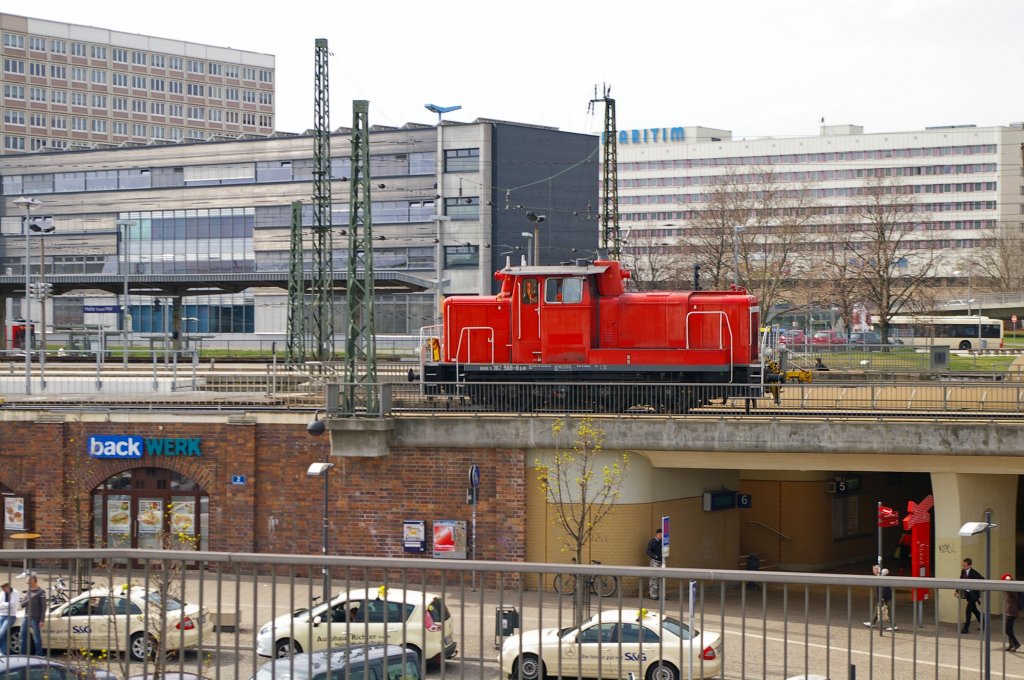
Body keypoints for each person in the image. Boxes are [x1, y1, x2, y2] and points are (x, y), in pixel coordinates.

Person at [863, 565, 896, 632]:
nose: (873, 571)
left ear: (877, 570)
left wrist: (882, 597)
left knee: (888, 611)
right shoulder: (879, 576)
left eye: (874, 570)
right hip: (884, 597)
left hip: (885, 597)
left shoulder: (881, 576)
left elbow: (883, 588)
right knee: (878, 608)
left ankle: (894, 626)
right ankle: (872, 623)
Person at [19, 574, 45, 655]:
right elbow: (22, 604)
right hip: (26, 616)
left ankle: (40, 655)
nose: (27, 583)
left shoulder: (41, 592)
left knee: (36, 637)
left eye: (28, 581)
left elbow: (44, 607)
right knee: (22, 635)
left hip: (35, 618)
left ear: (33, 580)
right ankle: (22, 654)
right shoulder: (28, 591)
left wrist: (42, 620)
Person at [957, 557, 984, 634]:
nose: (963, 567)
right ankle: (984, 624)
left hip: (974, 595)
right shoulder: (963, 571)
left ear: (970, 565)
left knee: (968, 610)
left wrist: (979, 596)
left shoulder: (974, 573)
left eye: (965, 565)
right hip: (968, 594)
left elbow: (982, 581)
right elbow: (960, 580)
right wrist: (957, 591)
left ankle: (966, 628)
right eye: (963, 565)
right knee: (974, 610)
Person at [1003, 573, 1021, 652]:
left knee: (1007, 629)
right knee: (1009, 628)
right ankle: (1011, 644)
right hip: (1009, 610)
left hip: (1012, 611)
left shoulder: (1012, 587)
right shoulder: (1012, 586)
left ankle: (1016, 643)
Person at [0, 582, 18, 655]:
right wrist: (6, 605)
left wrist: (3, 605)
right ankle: (4, 653)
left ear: (8, 586)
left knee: (1, 633)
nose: (3, 589)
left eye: (4, 588)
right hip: (1, 615)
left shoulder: (15, 593)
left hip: (11, 616)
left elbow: (13, 605)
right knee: (3, 635)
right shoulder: (2, 594)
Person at [646, 529, 663, 599]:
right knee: (653, 578)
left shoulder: (662, 542)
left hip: (661, 562)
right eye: (662, 534)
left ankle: (661, 595)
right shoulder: (653, 541)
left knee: (661, 579)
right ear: (658, 534)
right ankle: (653, 595)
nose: (663, 536)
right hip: (655, 562)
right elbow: (648, 551)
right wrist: (655, 556)